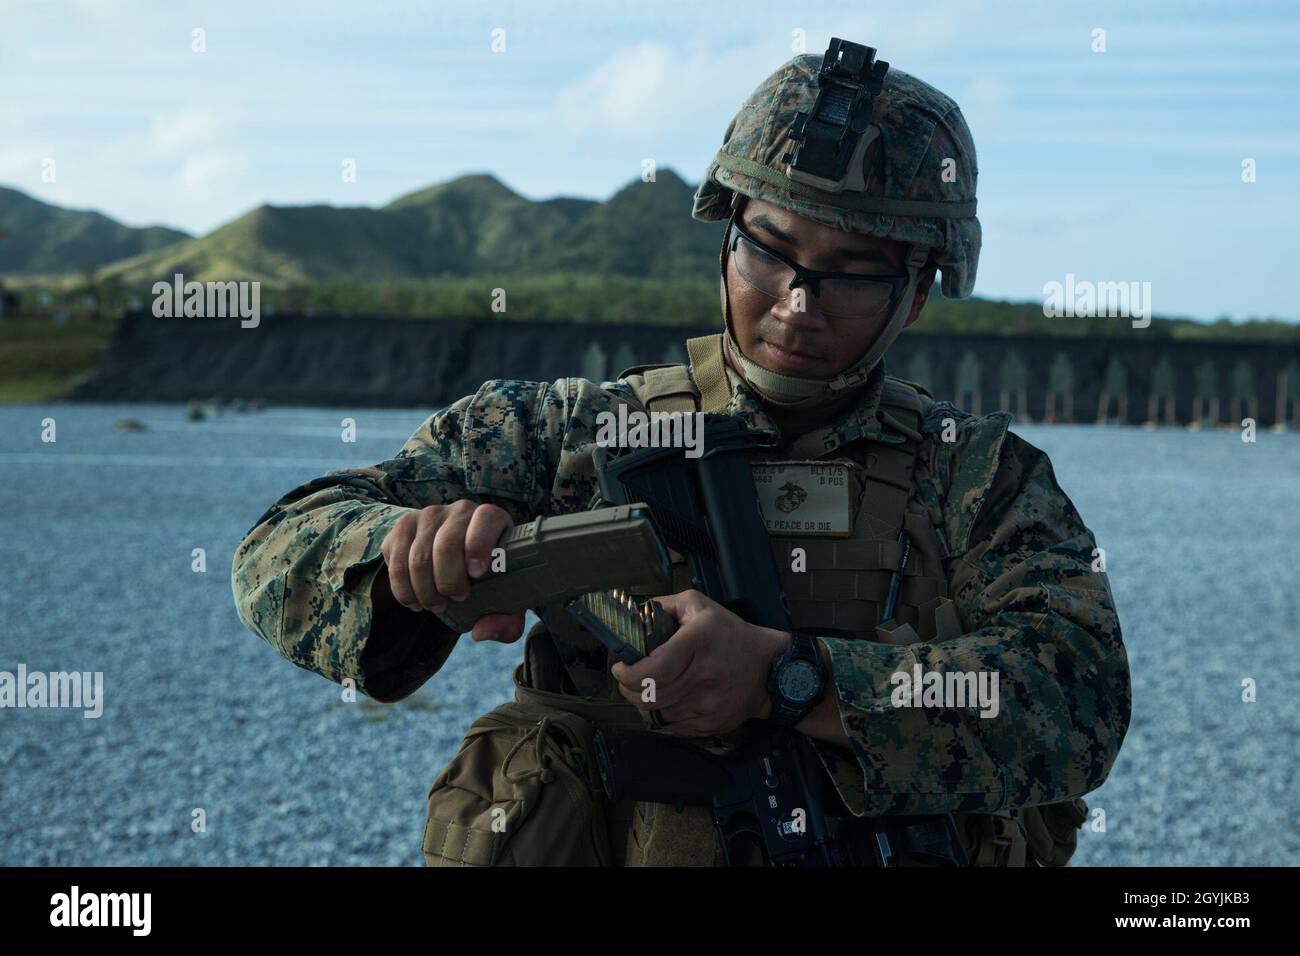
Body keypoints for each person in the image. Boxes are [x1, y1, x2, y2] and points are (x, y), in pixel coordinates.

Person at [231, 38, 1130, 867]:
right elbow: (275, 553)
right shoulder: (567, 436)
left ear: (920, 292)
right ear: (728, 233)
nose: (797, 304)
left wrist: (791, 679)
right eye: (769, 252)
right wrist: (405, 553)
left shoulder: (977, 478)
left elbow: (1079, 700)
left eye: (852, 273)